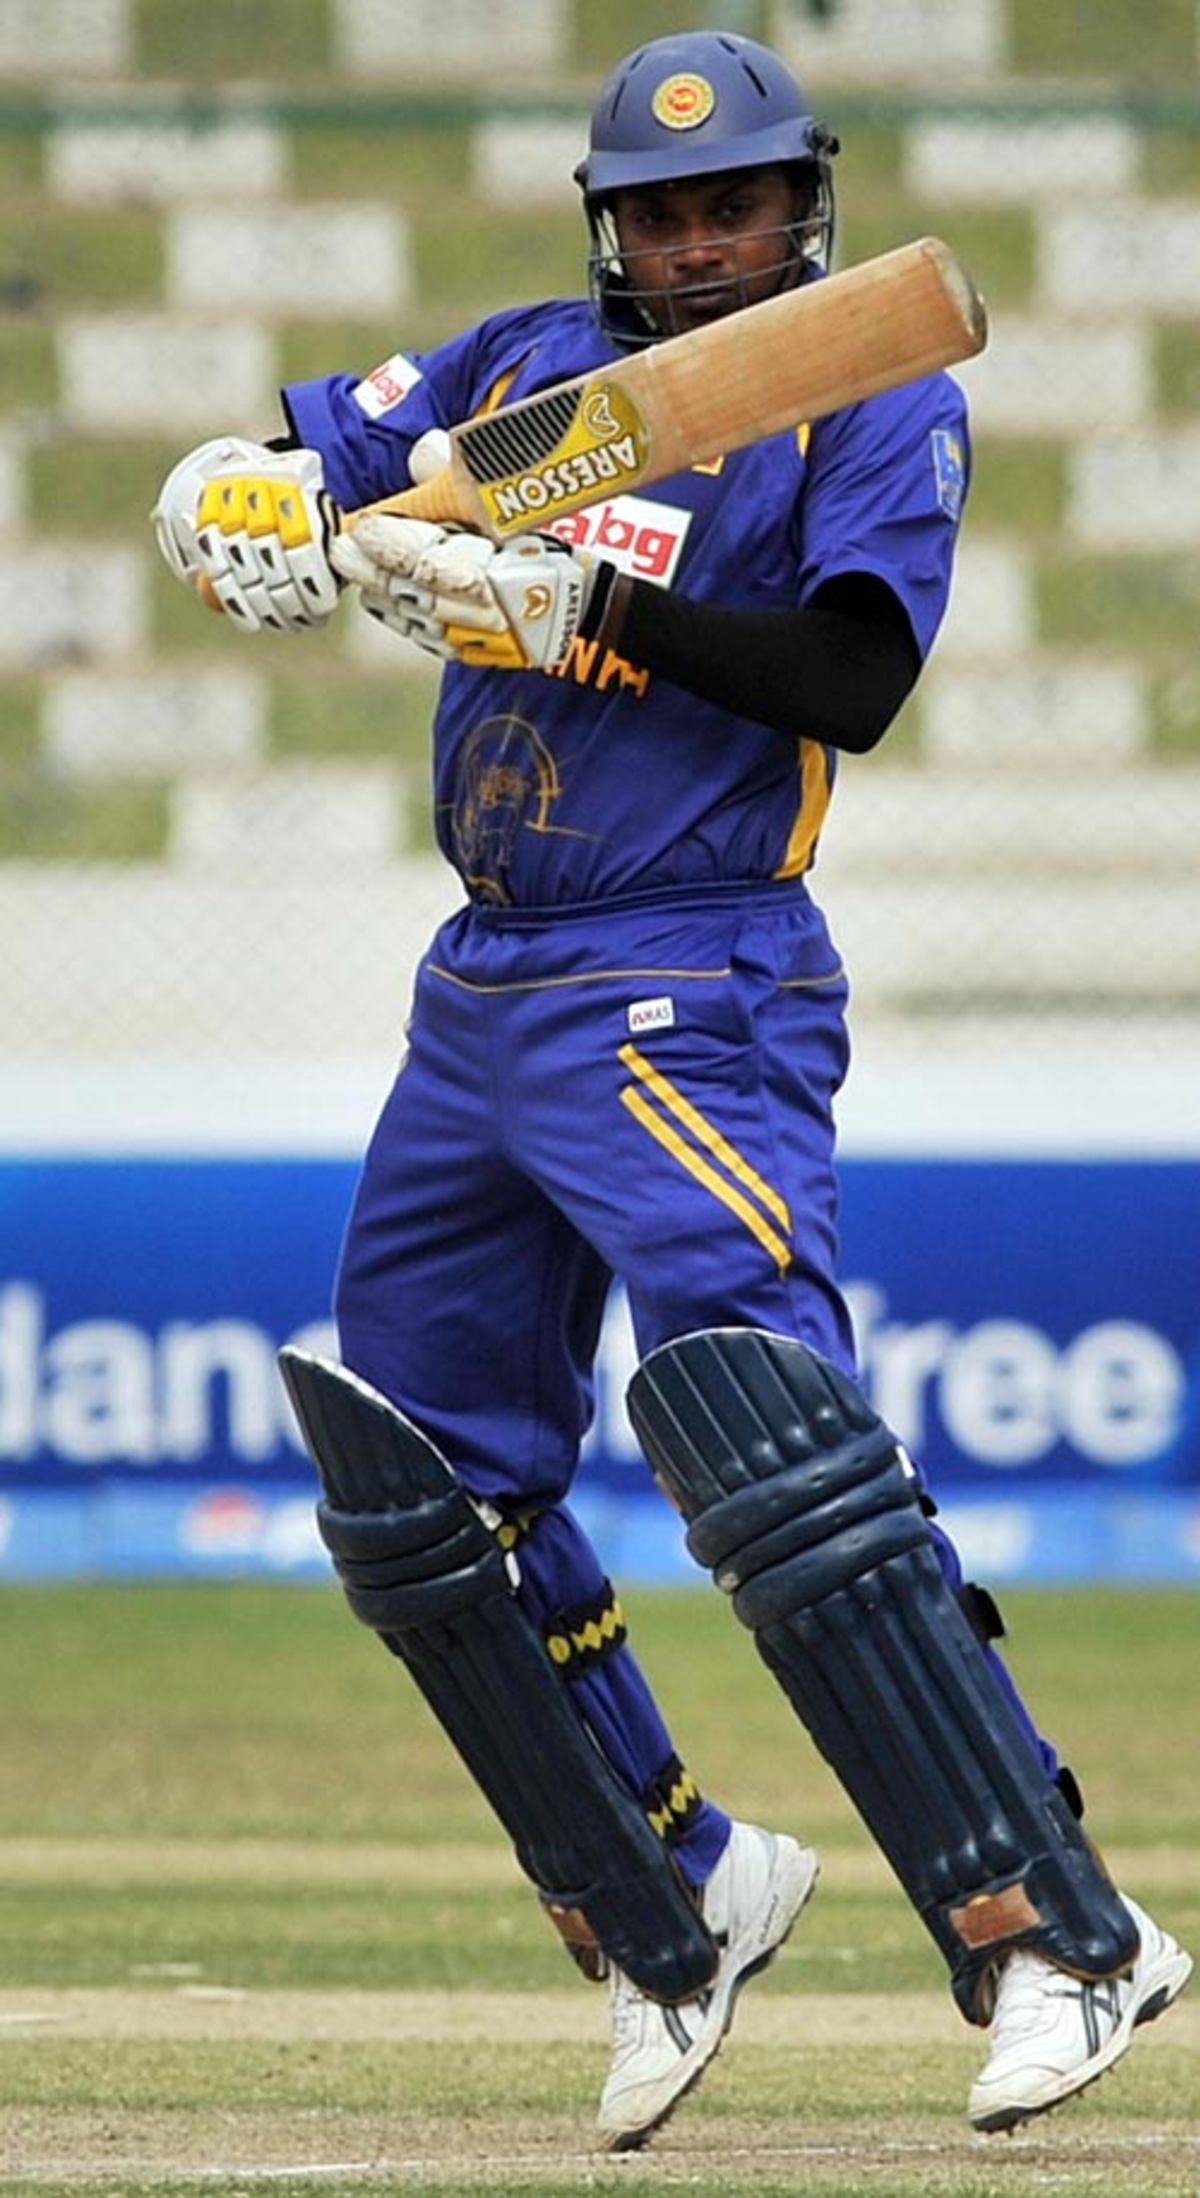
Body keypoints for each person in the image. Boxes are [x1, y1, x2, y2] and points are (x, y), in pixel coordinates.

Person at [153, 27, 1191, 2151]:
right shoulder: (528, 368)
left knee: (767, 1439)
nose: (708, 247)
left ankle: (1056, 1929)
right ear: (608, 227)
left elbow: (854, 681)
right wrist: (235, 508)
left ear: (804, 210)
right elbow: (314, 463)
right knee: (425, 1481)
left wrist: (588, 609)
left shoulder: (863, 389)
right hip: (486, 975)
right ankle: (672, 1888)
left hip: (689, 965)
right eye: (665, 212)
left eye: (742, 208)